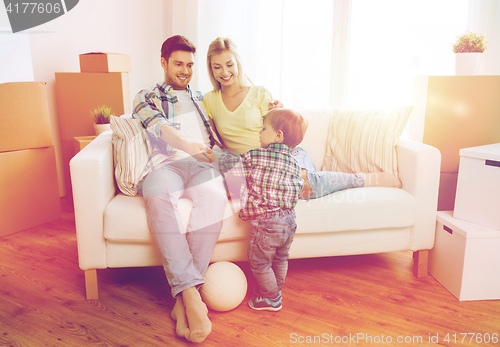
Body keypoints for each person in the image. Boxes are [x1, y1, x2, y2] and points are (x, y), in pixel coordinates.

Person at [132, 35, 227, 343]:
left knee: (215, 199)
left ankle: (183, 301)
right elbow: (160, 126)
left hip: (203, 165)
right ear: (163, 63)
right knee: (157, 198)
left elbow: (236, 108)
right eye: (178, 64)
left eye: (189, 65)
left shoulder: (203, 97)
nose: (185, 70)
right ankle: (191, 294)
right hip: (165, 164)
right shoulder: (146, 95)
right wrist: (187, 145)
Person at [203, 37, 366, 200]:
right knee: (297, 188)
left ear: (238, 63)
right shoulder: (209, 100)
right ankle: (349, 179)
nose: (224, 72)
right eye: (218, 67)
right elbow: (213, 141)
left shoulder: (259, 93)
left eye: (229, 65)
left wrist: (281, 109)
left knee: (303, 184)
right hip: (252, 165)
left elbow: (279, 129)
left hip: (284, 156)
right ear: (211, 69)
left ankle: (357, 179)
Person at [210, 108, 306, 311]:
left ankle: (272, 298)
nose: (259, 133)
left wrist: (213, 154)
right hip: (289, 222)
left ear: (277, 135)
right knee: (281, 258)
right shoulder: (295, 164)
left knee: (260, 264)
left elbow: (232, 164)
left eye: (264, 129)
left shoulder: (256, 156)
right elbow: (297, 189)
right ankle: (273, 288)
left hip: (267, 223)